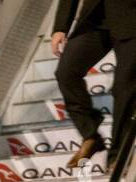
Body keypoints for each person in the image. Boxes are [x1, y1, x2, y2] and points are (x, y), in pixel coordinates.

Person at [52, 0, 136, 169]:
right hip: (94, 19)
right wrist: (61, 27)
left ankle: (118, 154)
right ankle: (90, 135)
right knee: (66, 73)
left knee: (124, 86)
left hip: (132, 17)